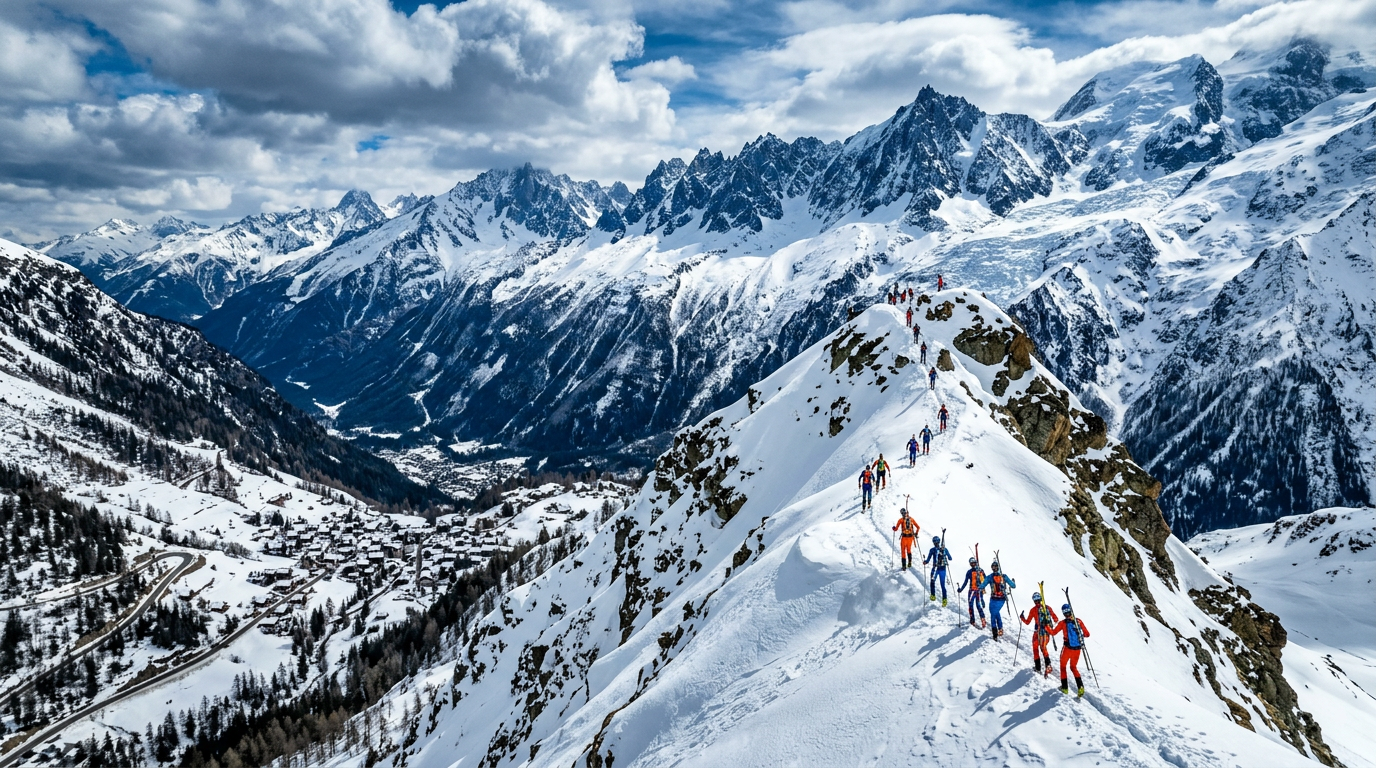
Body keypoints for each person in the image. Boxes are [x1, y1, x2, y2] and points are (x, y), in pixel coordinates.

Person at [1049, 605, 1091, 696]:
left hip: (1067, 648)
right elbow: (1087, 634)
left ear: (1063, 613)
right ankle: (1080, 687)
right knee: (1073, 667)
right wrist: (1079, 635)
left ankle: (1064, 688)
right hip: (1077, 649)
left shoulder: (1063, 623)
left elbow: (1053, 633)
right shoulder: (1078, 621)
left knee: (1063, 666)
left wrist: (1046, 627)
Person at [1020, 593, 1060, 676]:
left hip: (1037, 632)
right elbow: (1056, 619)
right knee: (1043, 648)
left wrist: (1022, 617)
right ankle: (1048, 664)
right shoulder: (1048, 608)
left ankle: (1038, 667)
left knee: (1035, 649)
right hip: (1046, 633)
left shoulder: (1033, 610)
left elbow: (1027, 622)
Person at [985, 560, 1016, 641]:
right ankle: (1000, 628)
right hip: (993, 598)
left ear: (998, 567)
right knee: (995, 613)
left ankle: (995, 633)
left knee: (993, 614)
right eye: (993, 567)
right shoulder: (991, 577)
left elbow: (1013, 586)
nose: (994, 568)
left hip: (1000, 599)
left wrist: (1012, 582)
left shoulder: (1003, 577)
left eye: (995, 566)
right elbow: (984, 583)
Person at [957, 556, 987, 628]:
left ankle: (977, 620)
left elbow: (985, 580)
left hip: (975, 591)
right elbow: (966, 582)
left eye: (973, 563)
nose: (972, 564)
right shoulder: (974, 571)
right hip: (976, 590)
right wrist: (961, 589)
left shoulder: (978, 571)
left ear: (975, 563)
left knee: (975, 606)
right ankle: (978, 620)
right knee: (975, 606)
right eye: (971, 563)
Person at [923, 536, 952, 606]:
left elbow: (928, 558)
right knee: (942, 585)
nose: (935, 543)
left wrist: (925, 562)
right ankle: (944, 600)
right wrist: (945, 554)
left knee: (932, 581)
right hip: (942, 569)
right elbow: (950, 558)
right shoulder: (944, 549)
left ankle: (933, 596)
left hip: (935, 568)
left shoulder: (932, 550)